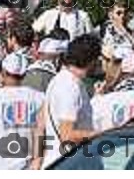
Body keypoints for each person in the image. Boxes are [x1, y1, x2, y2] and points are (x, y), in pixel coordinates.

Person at [38, 35, 101, 169]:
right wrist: (105, 133)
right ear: (91, 60)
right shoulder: (70, 86)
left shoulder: (59, 79)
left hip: (56, 161)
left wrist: (38, 159)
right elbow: (67, 135)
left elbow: (40, 123)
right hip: (66, 164)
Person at [0, 52, 45, 170]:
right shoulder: (39, 97)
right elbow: (41, 132)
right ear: (24, 74)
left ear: (3, 72)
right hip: (26, 165)